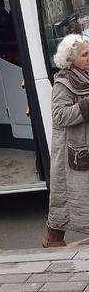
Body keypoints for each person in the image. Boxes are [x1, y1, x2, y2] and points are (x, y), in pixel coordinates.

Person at [43, 33, 89, 247]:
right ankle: (53, 238)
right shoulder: (64, 82)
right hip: (75, 151)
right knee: (67, 198)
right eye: (85, 54)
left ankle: (53, 238)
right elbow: (59, 115)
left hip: (83, 146)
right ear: (71, 60)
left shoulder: (85, 75)